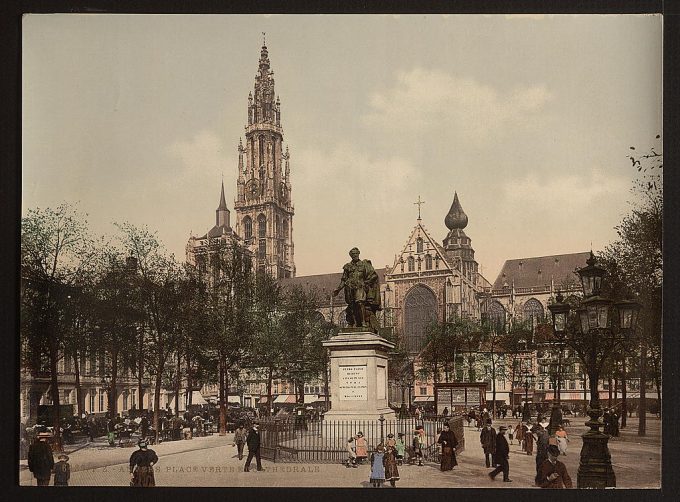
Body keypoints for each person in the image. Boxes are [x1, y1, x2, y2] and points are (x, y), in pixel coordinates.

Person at [332, 247, 379, 331]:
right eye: (353, 254)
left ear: (359, 253)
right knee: (351, 305)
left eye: (356, 253)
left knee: (360, 303)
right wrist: (338, 289)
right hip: (349, 288)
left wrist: (366, 282)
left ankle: (363, 322)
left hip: (360, 287)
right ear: (350, 255)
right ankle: (353, 323)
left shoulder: (364, 264)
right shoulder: (347, 266)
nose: (355, 255)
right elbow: (344, 279)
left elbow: (374, 275)